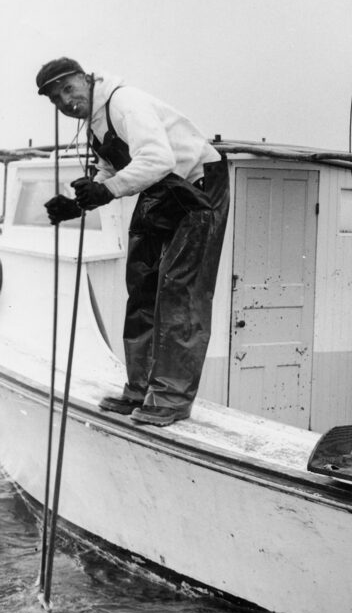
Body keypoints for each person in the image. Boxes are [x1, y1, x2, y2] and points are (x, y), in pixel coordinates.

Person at [38, 57, 229, 427]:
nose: (65, 101)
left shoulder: (124, 103)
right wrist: (78, 202)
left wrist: (105, 191)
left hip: (197, 187)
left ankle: (170, 398)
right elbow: (111, 169)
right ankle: (140, 389)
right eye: (55, 98)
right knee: (142, 287)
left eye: (68, 89)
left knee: (180, 292)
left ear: (86, 79)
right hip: (160, 189)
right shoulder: (94, 123)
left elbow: (158, 158)